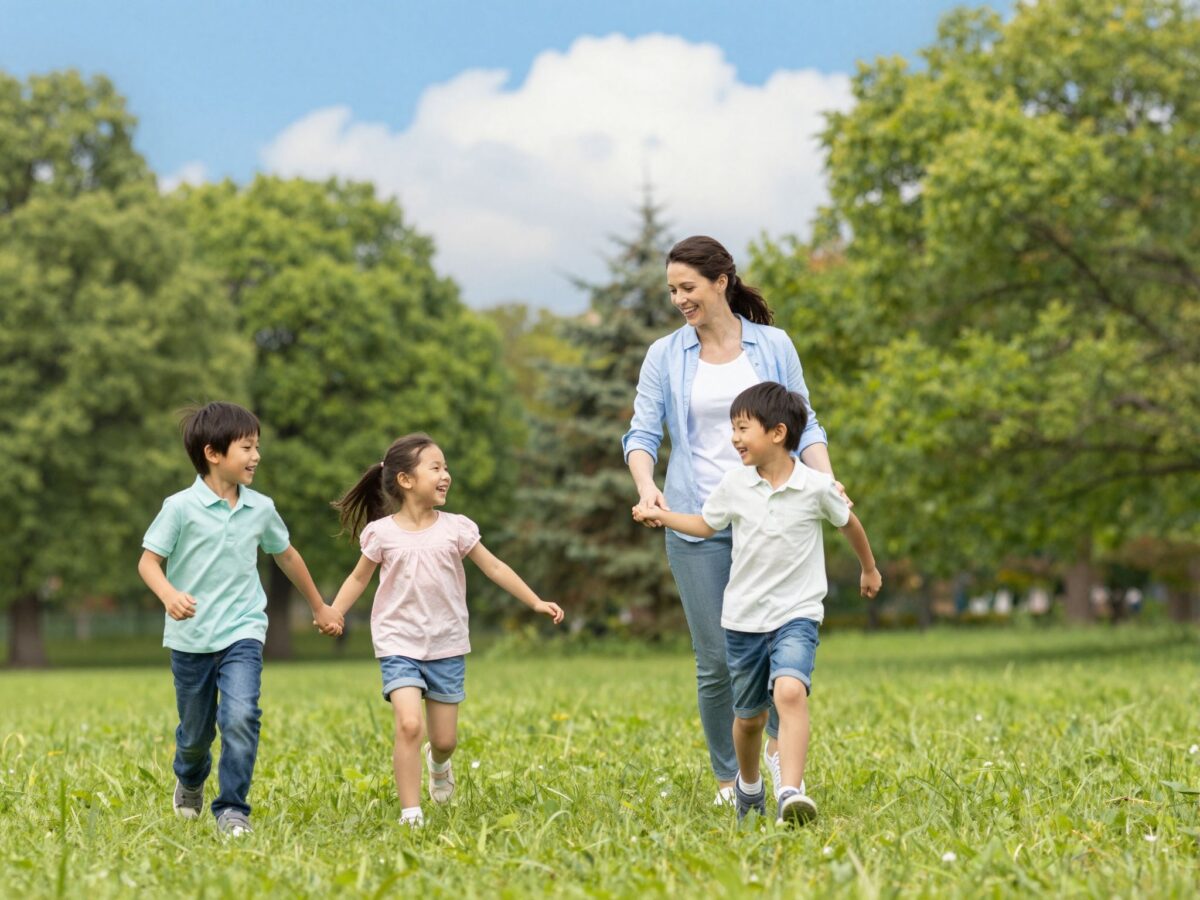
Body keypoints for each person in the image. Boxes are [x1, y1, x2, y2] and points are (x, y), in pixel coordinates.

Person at [623, 235, 849, 806]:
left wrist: (825, 479)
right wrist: (648, 488)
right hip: (699, 518)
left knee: (778, 645)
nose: (679, 299)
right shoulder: (664, 355)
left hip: (772, 515)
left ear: (721, 282)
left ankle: (776, 758)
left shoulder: (772, 346)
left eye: (689, 287)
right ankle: (730, 779)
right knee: (719, 659)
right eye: (672, 290)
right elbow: (643, 432)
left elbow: (806, 423)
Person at [633, 382, 881, 825]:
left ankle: (790, 790)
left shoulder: (815, 486)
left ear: (778, 433)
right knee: (748, 718)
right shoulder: (735, 484)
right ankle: (749, 785)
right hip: (744, 619)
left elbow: (850, 524)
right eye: (733, 427)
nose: (734, 437)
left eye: (743, 427)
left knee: (790, 691)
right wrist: (663, 515)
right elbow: (706, 526)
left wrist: (869, 568)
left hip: (797, 614)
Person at [329, 433, 564, 828]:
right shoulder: (382, 533)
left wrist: (535, 601)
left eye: (446, 467)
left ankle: (438, 766)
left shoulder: (457, 529)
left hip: (446, 643)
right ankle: (411, 812)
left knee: (443, 741)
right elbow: (357, 579)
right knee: (408, 724)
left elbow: (495, 568)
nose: (446, 475)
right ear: (405, 480)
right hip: (398, 643)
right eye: (435, 467)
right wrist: (334, 611)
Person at [137, 401, 343, 836]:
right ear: (214, 454)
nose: (256, 456)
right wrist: (169, 595)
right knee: (194, 736)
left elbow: (286, 555)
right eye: (247, 447)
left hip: (243, 631)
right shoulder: (179, 507)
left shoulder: (260, 508)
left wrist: (319, 605)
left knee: (240, 716)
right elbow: (148, 563)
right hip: (190, 638)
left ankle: (232, 808)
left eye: (257, 447)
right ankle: (190, 779)